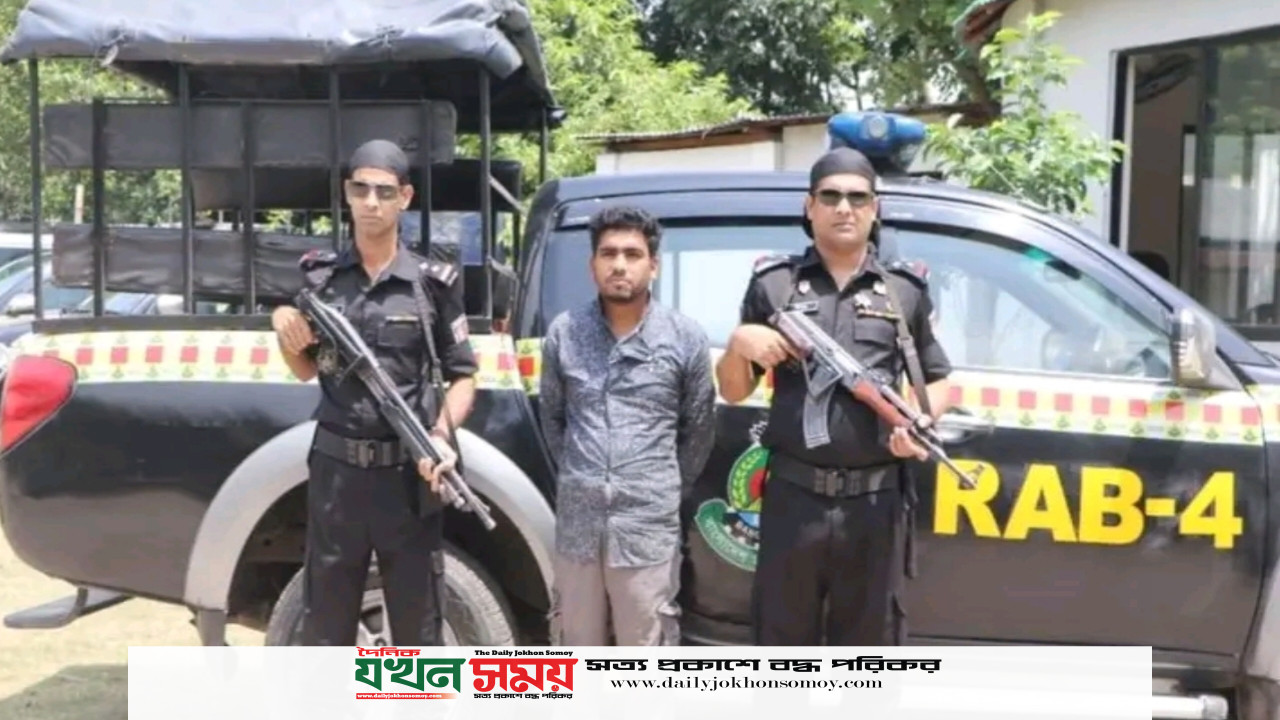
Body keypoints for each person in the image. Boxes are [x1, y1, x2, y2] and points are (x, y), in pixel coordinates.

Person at [715, 147, 953, 646]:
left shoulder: (904, 289)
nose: (844, 208)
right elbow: (733, 390)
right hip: (793, 499)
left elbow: (939, 378)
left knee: (868, 646)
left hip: (875, 503)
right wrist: (739, 344)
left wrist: (920, 422)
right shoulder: (775, 284)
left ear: (875, 208)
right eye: (830, 196)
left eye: (857, 197)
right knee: (782, 642)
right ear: (809, 206)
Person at [270, 139, 479, 646]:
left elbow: (463, 376)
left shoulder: (431, 285)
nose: (371, 202)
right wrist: (283, 326)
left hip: (408, 476)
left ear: (404, 198)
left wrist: (440, 436)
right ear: (346, 193)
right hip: (336, 476)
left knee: (417, 627)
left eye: (384, 192)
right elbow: (304, 369)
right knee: (326, 627)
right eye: (360, 189)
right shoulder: (321, 279)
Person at [538, 205, 717, 646]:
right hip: (579, 530)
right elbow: (554, 419)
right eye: (608, 253)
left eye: (632, 254)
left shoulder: (684, 337)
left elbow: (698, 430)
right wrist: (584, 477)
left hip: (647, 530)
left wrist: (657, 486)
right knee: (578, 649)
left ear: (653, 265)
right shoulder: (565, 333)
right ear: (592, 265)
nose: (619, 265)